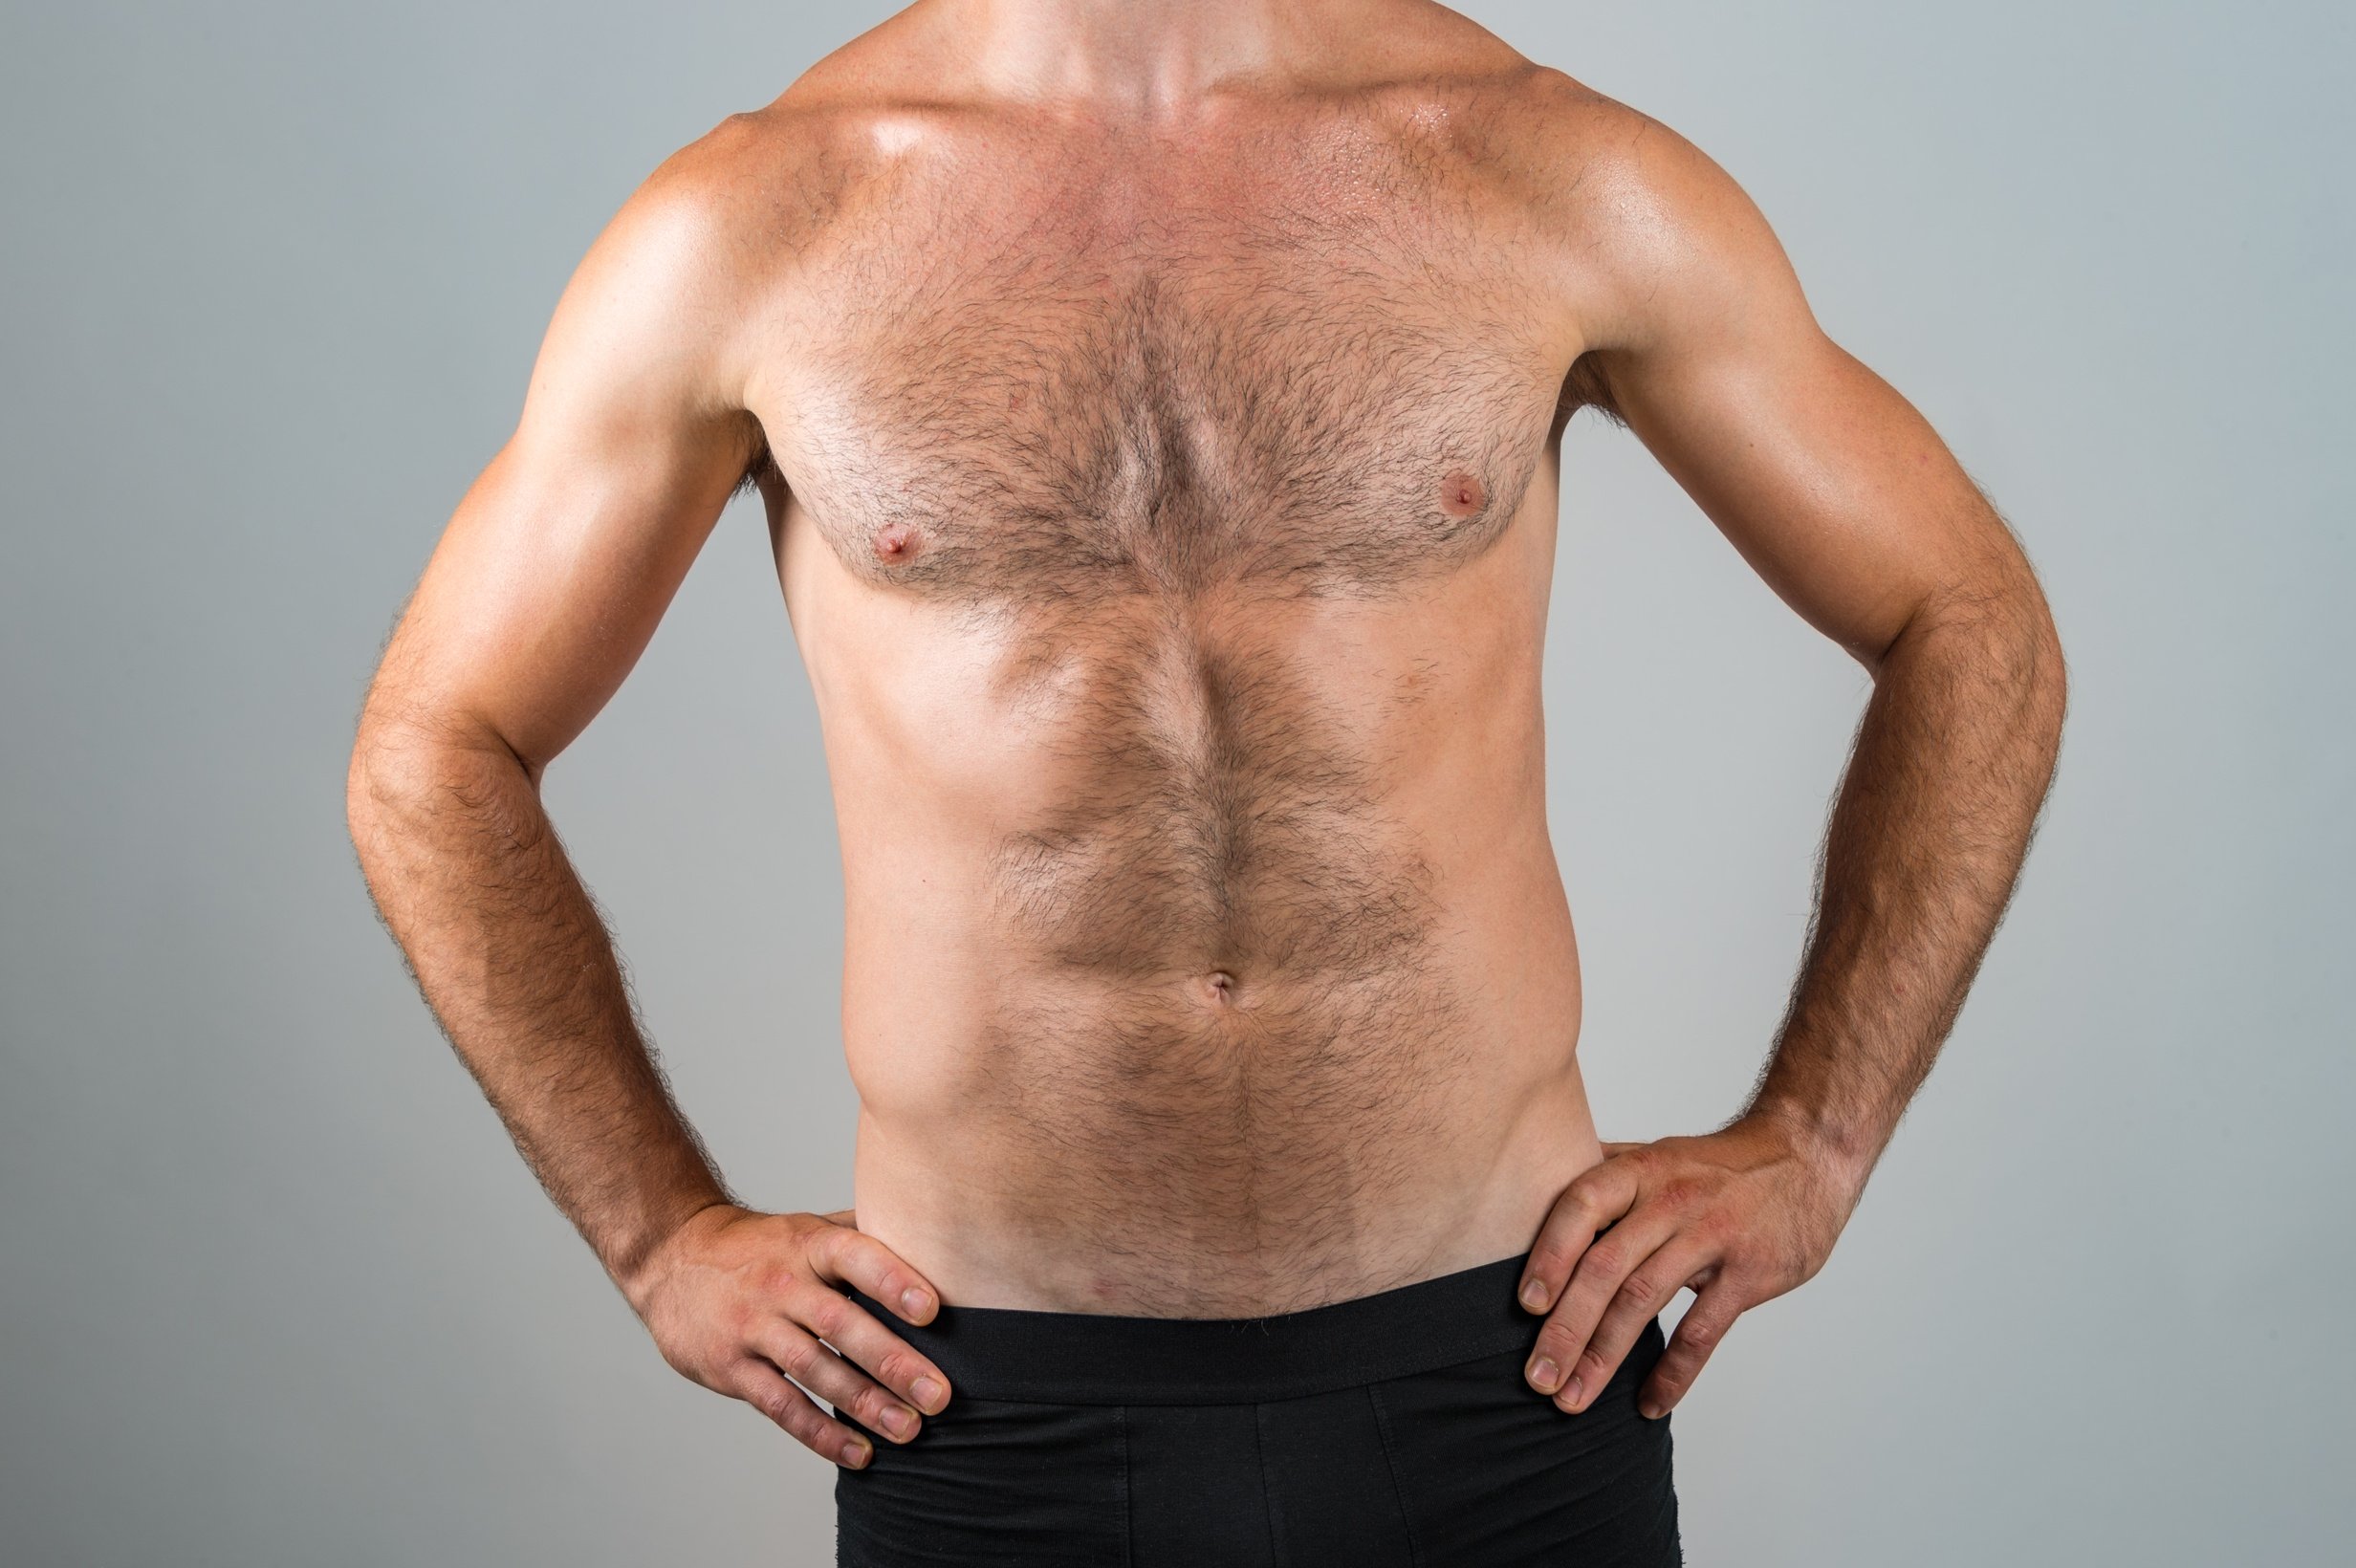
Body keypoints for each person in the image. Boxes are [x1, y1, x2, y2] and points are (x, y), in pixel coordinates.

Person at [344, 1, 2067, 1561]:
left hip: (1510, 1373)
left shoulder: (1536, 168)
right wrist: (661, 1239)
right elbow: (433, 751)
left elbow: (1967, 613)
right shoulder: (757, 229)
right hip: (982, 1407)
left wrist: (1819, 1141)